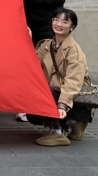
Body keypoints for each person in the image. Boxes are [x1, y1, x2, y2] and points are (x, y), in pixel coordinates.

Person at [30, 8, 94, 146]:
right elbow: (31, 64)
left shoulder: (74, 50)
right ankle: (72, 124)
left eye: (65, 22)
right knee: (35, 101)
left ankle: (57, 132)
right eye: (56, 19)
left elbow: (73, 81)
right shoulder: (45, 45)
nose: (58, 24)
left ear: (72, 27)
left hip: (72, 96)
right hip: (56, 91)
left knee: (46, 93)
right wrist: (26, 38)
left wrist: (63, 105)